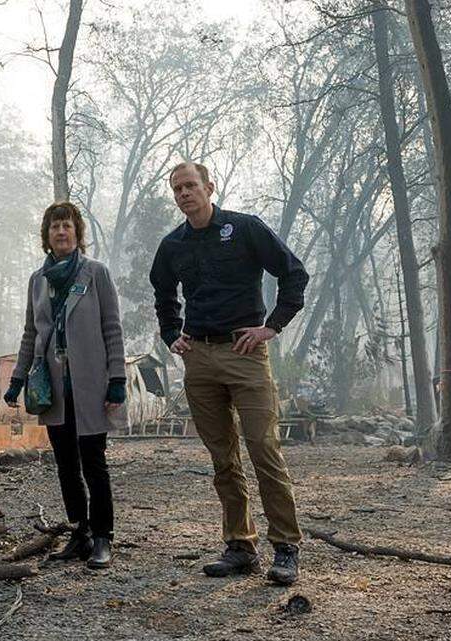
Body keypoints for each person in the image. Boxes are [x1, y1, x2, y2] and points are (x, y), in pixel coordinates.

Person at [149, 161, 309, 585]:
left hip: (245, 352)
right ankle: (240, 544)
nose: (185, 193)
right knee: (223, 457)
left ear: (209, 187)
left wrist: (271, 327)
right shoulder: (173, 245)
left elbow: (294, 273)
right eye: (178, 188)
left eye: (191, 185)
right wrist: (171, 335)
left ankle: (286, 547)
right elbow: (163, 293)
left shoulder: (243, 228)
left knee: (263, 447)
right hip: (199, 358)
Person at [3, 202, 127, 569]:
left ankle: (104, 536)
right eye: (55, 227)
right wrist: (17, 379)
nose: (61, 232)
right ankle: (80, 532)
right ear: (47, 235)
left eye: (67, 226)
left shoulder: (95, 274)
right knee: (65, 465)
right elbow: (31, 333)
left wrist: (117, 379)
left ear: (77, 233)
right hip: (53, 388)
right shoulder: (38, 280)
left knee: (94, 462)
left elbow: (112, 329)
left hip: (90, 383)